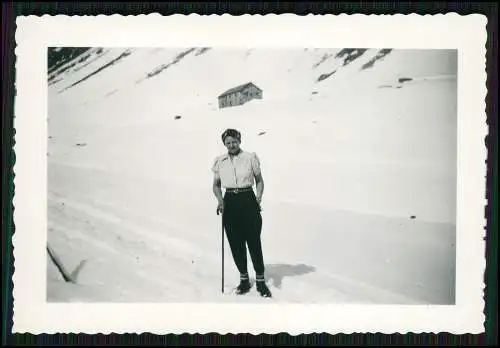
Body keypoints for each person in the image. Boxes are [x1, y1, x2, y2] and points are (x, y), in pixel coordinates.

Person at [212, 128, 272, 297]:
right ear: (225, 144)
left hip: (248, 200)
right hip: (230, 202)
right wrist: (220, 200)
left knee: (254, 242)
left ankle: (260, 281)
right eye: (228, 142)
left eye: (234, 141)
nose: (231, 145)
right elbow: (216, 185)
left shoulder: (250, 158)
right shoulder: (220, 162)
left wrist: (258, 197)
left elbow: (259, 181)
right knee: (235, 243)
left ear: (239, 141)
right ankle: (244, 280)